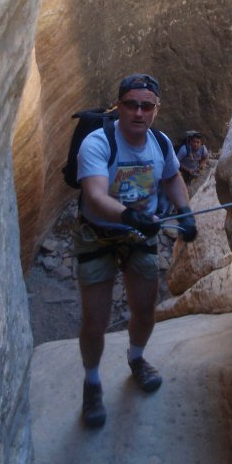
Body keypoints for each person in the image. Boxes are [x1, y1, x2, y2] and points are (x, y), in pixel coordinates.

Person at [74, 73, 197, 428]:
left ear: (156, 109)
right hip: (100, 235)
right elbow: (95, 196)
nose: (138, 112)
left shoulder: (160, 142)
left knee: (144, 309)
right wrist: (130, 215)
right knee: (95, 320)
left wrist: (184, 210)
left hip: (140, 235)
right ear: (119, 106)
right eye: (131, 105)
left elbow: (172, 177)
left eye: (146, 106)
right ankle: (92, 382)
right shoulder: (98, 143)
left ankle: (137, 359)